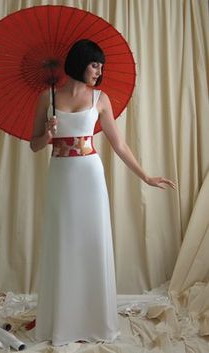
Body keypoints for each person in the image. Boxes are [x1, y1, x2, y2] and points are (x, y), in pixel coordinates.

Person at [30, 39, 175, 346]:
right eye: (95, 64)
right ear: (81, 61)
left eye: (102, 66)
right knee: (64, 242)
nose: (99, 71)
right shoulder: (47, 97)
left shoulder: (101, 98)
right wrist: (49, 133)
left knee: (92, 241)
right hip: (61, 175)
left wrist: (145, 176)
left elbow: (118, 144)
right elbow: (35, 145)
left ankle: (94, 319)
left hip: (90, 175)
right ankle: (63, 320)